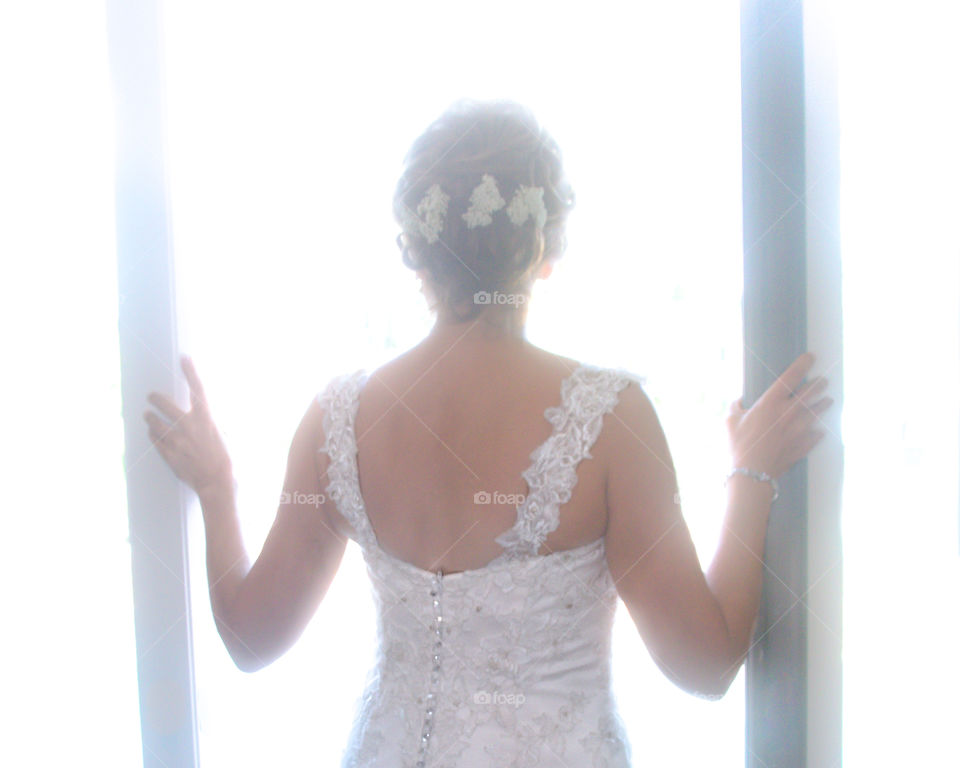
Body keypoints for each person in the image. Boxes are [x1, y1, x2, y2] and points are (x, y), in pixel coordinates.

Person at [143, 98, 833, 767]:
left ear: (415, 251)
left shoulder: (336, 419)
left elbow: (251, 639)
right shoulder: (611, 421)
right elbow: (705, 664)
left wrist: (215, 487)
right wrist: (752, 476)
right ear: (546, 247)